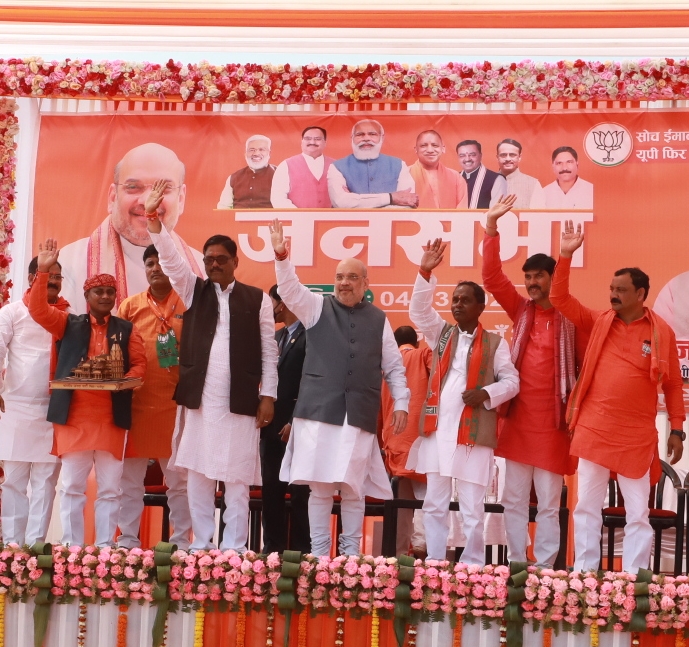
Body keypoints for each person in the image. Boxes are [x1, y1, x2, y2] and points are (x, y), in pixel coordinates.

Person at [146, 180, 278, 552]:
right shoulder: (194, 289)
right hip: (200, 401)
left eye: (222, 259)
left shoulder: (259, 300)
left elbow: (269, 351)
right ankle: (202, 545)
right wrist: (155, 221)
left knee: (236, 479)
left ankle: (234, 548)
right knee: (199, 476)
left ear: (237, 262)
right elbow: (171, 258)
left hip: (239, 402)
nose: (215, 264)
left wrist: (268, 395)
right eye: (209, 260)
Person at [269, 218, 409, 556]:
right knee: (319, 489)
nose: (344, 283)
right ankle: (319, 554)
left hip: (357, 415)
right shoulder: (316, 307)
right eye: (339, 277)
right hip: (317, 413)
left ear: (365, 283)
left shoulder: (378, 318)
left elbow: (393, 366)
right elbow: (289, 290)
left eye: (351, 277)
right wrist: (281, 254)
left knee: (353, 488)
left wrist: (402, 402)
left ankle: (350, 555)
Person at [550, 221, 685, 573]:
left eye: (621, 290)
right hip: (594, 427)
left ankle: (634, 579)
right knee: (586, 506)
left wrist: (677, 429)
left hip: (635, 435)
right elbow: (559, 298)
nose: (613, 294)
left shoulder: (661, 333)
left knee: (638, 511)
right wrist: (565, 255)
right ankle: (584, 573)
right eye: (611, 288)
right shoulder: (598, 321)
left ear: (641, 294)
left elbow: (672, 385)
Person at [406, 238, 519, 563]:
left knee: (472, 507)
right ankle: (437, 563)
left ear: (480, 307)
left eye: (464, 301)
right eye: (454, 300)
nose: (457, 305)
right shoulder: (440, 333)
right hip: (438, 432)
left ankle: (471, 569)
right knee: (435, 504)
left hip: (474, 434)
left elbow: (512, 382)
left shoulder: (496, 344)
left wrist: (486, 393)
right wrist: (425, 271)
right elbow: (418, 311)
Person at [481, 194, 579, 568]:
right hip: (519, 421)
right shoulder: (520, 309)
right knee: (514, 499)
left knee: (551, 504)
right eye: (529, 278)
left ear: (555, 278)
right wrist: (491, 227)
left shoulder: (573, 317)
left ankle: (546, 569)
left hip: (555, 424)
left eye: (539, 276)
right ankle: (518, 565)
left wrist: (567, 255)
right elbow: (492, 277)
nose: (532, 283)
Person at [29, 240, 147, 547]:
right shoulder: (67, 323)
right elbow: (38, 309)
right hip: (74, 419)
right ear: (87, 297)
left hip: (111, 419)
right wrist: (43, 271)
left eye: (110, 292)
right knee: (71, 487)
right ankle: (72, 547)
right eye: (99, 292)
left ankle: (105, 549)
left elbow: (139, 365)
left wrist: (125, 380)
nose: (106, 296)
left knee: (110, 488)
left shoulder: (127, 328)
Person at [58, 143, 203, 314]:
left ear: (181, 199)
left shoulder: (202, 268)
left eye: (163, 188)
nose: (148, 201)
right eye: (133, 187)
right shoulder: (68, 264)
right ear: (113, 197)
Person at [116, 245, 192, 550]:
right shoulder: (130, 307)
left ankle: (181, 542)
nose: (155, 268)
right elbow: (116, 354)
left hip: (177, 406)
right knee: (129, 481)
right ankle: (128, 541)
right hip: (136, 406)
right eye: (150, 263)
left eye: (161, 262)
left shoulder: (189, 304)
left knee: (179, 483)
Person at [0, 257, 69, 546]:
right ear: (33, 278)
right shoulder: (11, 312)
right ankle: (13, 550)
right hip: (15, 407)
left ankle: (35, 548)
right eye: (48, 275)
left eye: (58, 276)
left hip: (53, 410)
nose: (54, 281)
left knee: (45, 485)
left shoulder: (68, 315)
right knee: (14, 482)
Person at [260, 285, 310, 554]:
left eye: (272, 303)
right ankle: (272, 549)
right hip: (269, 426)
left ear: (285, 303)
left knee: (301, 492)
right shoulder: (275, 336)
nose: (270, 309)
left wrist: (295, 419)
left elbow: (309, 384)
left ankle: (302, 550)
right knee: (271, 490)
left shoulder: (310, 336)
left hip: (296, 426)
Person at [379, 325, 431, 556]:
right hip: (422, 440)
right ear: (415, 342)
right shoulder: (422, 355)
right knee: (426, 499)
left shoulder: (385, 366)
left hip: (395, 440)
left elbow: (378, 411)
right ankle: (423, 546)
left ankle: (399, 554)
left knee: (401, 504)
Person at [327, 119, 419, 209]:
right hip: (349, 223)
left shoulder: (399, 165)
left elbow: (407, 203)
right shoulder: (337, 167)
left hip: (388, 224)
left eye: (372, 134)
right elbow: (340, 202)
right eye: (360, 134)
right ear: (352, 138)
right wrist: (391, 198)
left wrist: (355, 202)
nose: (366, 138)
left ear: (382, 137)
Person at [270, 127, 334, 209]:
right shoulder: (285, 165)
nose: (312, 142)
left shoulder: (336, 166)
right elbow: (278, 198)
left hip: (329, 220)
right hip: (297, 220)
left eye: (317, 139)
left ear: (325, 142)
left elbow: (341, 197)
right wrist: (300, 216)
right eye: (308, 138)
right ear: (302, 142)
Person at [408, 130, 468, 209]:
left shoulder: (456, 178)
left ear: (443, 149)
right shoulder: (406, 174)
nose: (430, 150)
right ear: (416, 149)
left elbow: (462, 213)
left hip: (450, 221)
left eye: (435, 145)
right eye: (423, 146)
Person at [217, 135, 275, 209]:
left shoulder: (278, 175)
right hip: (237, 220)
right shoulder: (234, 178)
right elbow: (224, 207)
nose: (256, 153)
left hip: (269, 219)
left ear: (269, 153)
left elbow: (282, 205)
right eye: (252, 150)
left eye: (261, 149)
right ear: (245, 153)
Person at [456, 140, 508, 209]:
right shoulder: (455, 179)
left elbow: (497, 213)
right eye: (462, 155)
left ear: (480, 156)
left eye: (472, 155)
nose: (467, 159)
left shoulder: (497, 179)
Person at [495, 139, 545, 209]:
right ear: (497, 157)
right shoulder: (486, 183)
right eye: (503, 155)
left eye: (512, 155)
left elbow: (538, 216)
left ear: (519, 157)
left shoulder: (533, 184)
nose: (508, 159)